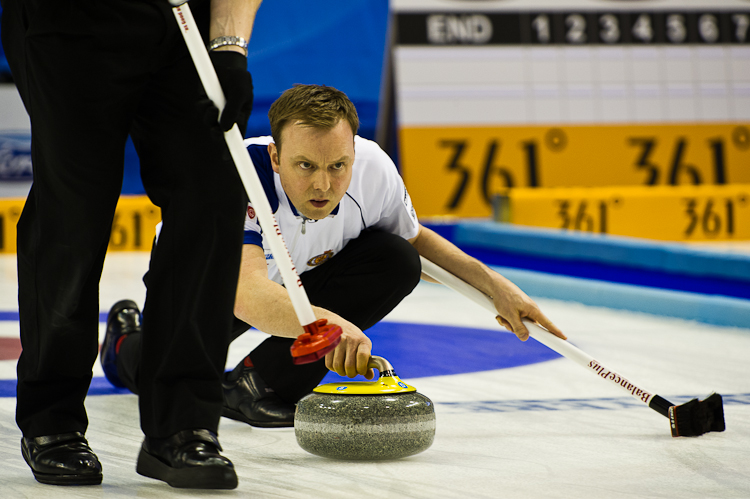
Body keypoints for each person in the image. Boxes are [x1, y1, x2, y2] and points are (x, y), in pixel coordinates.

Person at [102, 84, 567, 431]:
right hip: (205, 280)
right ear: (277, 156)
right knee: (157, 371)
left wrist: (498, 288)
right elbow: (244, 293)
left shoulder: (373, 168)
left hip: (298, 278)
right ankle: (124, 344)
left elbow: (417, 241)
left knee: (395, 258)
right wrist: (332, 326)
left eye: (336, 166)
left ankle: (256, 383)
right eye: (306, 166)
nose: (323, 185)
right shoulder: (237, 178)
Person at [2, 0, 262, 489]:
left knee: (211, 199)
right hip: (71, 21)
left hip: (186, 20)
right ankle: (52, 418)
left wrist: (229, 46)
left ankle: (183, 424)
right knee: (74, 210)